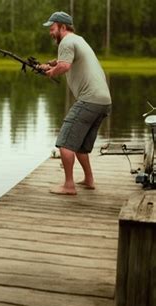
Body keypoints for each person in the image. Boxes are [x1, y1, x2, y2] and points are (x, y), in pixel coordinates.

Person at [39, 11, 112, 195]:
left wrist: (51, 73)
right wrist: (51, 64)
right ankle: (88, 180)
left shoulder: (66, 42)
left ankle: (68, 186)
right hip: (104, 101)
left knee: (65, 143)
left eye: (53, 28)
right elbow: (64, 61)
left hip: (89, 99)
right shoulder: (79, 40)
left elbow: (64, 66)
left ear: (63, 27)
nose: (50, 32)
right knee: (79, 145)